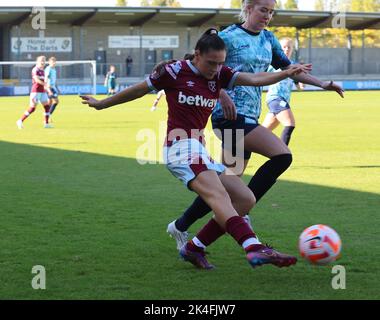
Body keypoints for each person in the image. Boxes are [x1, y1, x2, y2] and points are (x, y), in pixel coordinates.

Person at [80, 28, 309, 269]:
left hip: (199, 149)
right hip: (178, 148)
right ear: (197, 55)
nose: (216, 69)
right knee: (219, 196)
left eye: (220, 63)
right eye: (211, 63)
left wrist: (286, 72)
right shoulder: (172, 71)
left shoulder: (219, 75)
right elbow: (139, 90)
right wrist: (102, 104)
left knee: (245, 199)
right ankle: (254, 247)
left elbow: (254, 79)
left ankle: (194, 247)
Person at [167, 0, 344, 252]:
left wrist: (323, 83)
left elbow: (289, 69)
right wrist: (221, 94)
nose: (268, 16)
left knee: (225, 185)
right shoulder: (228, 36)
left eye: (271, 12)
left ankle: (180, 226)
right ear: (248, 8)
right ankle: (243, 213)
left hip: (249, 116)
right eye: (264, 10)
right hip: (229, 118)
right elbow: (195, 63)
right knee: (282, 155)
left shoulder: (268, 40)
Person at [262, 38, 305, 145]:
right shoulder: (274, 62)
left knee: (262, 132)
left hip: (283, 100)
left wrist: (300, 84)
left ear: (292, 49)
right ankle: (283, 154)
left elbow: (297, 83)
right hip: (275, 98)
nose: (286, 49)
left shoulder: (293, 65)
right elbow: (261, 74)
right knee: (290, 124)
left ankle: (242, 145)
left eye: (289, 47)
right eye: (284, 47)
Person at [16, 55, 52, 129]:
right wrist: (45, 84)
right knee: (32, 108)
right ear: (37, 61)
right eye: (41, 60)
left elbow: (44, 81)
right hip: (36, 91)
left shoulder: (43, 70)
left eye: (44, 60)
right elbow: (37, 80)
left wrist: (47, 88)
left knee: (47, 106)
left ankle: (46, 123)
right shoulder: (35, 69)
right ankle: (20, 121)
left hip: (42, 91)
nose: (43, 62)